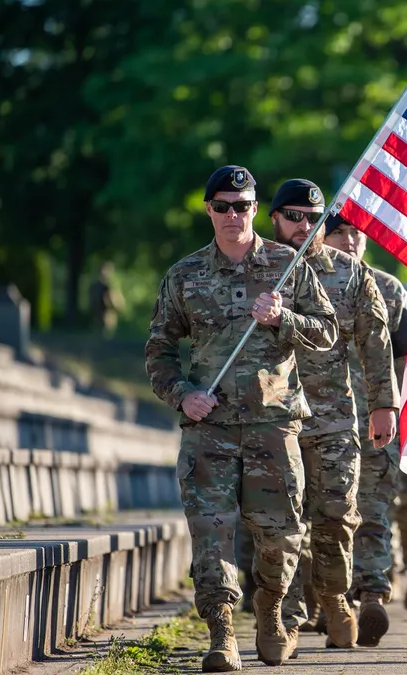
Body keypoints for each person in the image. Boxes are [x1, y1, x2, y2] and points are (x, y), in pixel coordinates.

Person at [144, 165, 338, 670]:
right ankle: (222, 632)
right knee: (211, 532)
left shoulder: (288, 266)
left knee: (280, 533)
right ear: (208, 209)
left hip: (272, 425)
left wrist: (283, 318)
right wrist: (182, 394)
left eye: (244, 206)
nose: (234, 215)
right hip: (209, 428)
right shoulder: (184, 275)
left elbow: (326, 333)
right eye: (223, 206)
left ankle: (271, 608)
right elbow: (159, 350)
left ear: (256, 210)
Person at [267, 180, 400, 651]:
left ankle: (335, 598)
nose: (303, 226)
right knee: (281, 523)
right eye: (293, 216)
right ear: (274, 218)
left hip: (334, 418)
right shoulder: (254, 268)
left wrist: (384, 405)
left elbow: (375, 342)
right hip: (271, 419)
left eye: (313, 218)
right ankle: (285, 620)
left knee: (336, 518)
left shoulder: (350, 273)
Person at [323, 212, 407, 645]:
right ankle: (329, 601)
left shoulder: (388, 289)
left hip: (375, 423)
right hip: (320, 423)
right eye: (340, 233)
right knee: (326, 516)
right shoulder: (301, 282)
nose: (350, 241)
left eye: (357, 234)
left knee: (372, 511)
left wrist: (404, 414)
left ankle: (372, 596)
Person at [89, 261, 126, 337]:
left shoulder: (111, 287)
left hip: (107, 318)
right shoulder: (96, 287)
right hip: (99, 318)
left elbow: (119, 304)